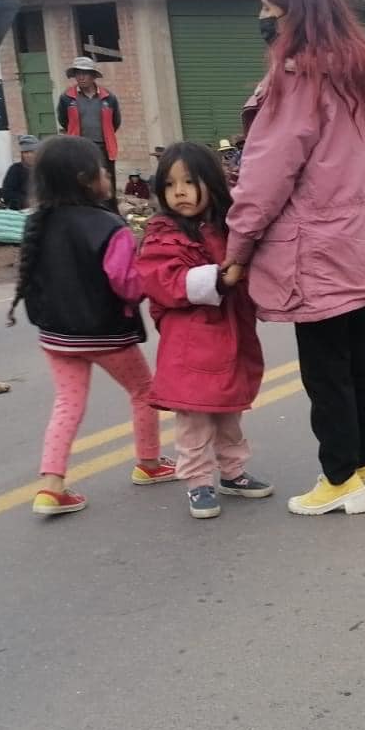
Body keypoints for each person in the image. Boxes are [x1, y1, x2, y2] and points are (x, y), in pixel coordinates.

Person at [223, 0, 365, 517]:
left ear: (292, 11)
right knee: (364, 363)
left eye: (268, 7)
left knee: (327, 372)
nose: (262, 17)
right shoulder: (360, 73)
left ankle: (338, 479)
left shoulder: (298, 78)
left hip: (316, 247)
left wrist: (237, 249)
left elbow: (266, 175)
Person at [6, 135, 174, 517]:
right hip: (107, 335)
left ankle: (51, 486)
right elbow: (127, 284)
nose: (106, 174)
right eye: (100, 168)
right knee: (143, 390)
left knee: (68, 402)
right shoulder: (109, 226)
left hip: (56, 337)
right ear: (86, 178)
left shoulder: (38, 224)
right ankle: (149, 463)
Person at [136, 142, 270, 519]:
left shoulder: (226, 228)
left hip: (229, 336)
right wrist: (219, 278)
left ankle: (233, 472)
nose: (179, 191)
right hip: (189, 344)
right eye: (170, 184)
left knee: (228, 410)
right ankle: (197, 481)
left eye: (190, 182)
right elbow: (163, 280)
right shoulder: (163, 234)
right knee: (194, 416)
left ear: (211, 183)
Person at [56, 58, 122, 196]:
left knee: (107, 183)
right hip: (79, 147)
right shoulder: (66, 98)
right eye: (77, 73)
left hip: (104, 147)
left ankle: (111, 212)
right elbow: (64, 121)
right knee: (83, 182)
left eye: (84, 73)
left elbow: (115, 122)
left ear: (93, 75)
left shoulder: (109, 98)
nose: (80, 77)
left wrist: (105, 134)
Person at [0, 134, 39, 209]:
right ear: (22, 154)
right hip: (22, 209)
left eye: (32, 152)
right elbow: (7, 193)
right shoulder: (15, 170)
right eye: (26, 152)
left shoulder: (45, 168)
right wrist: (25, 200)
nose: (29, 155)